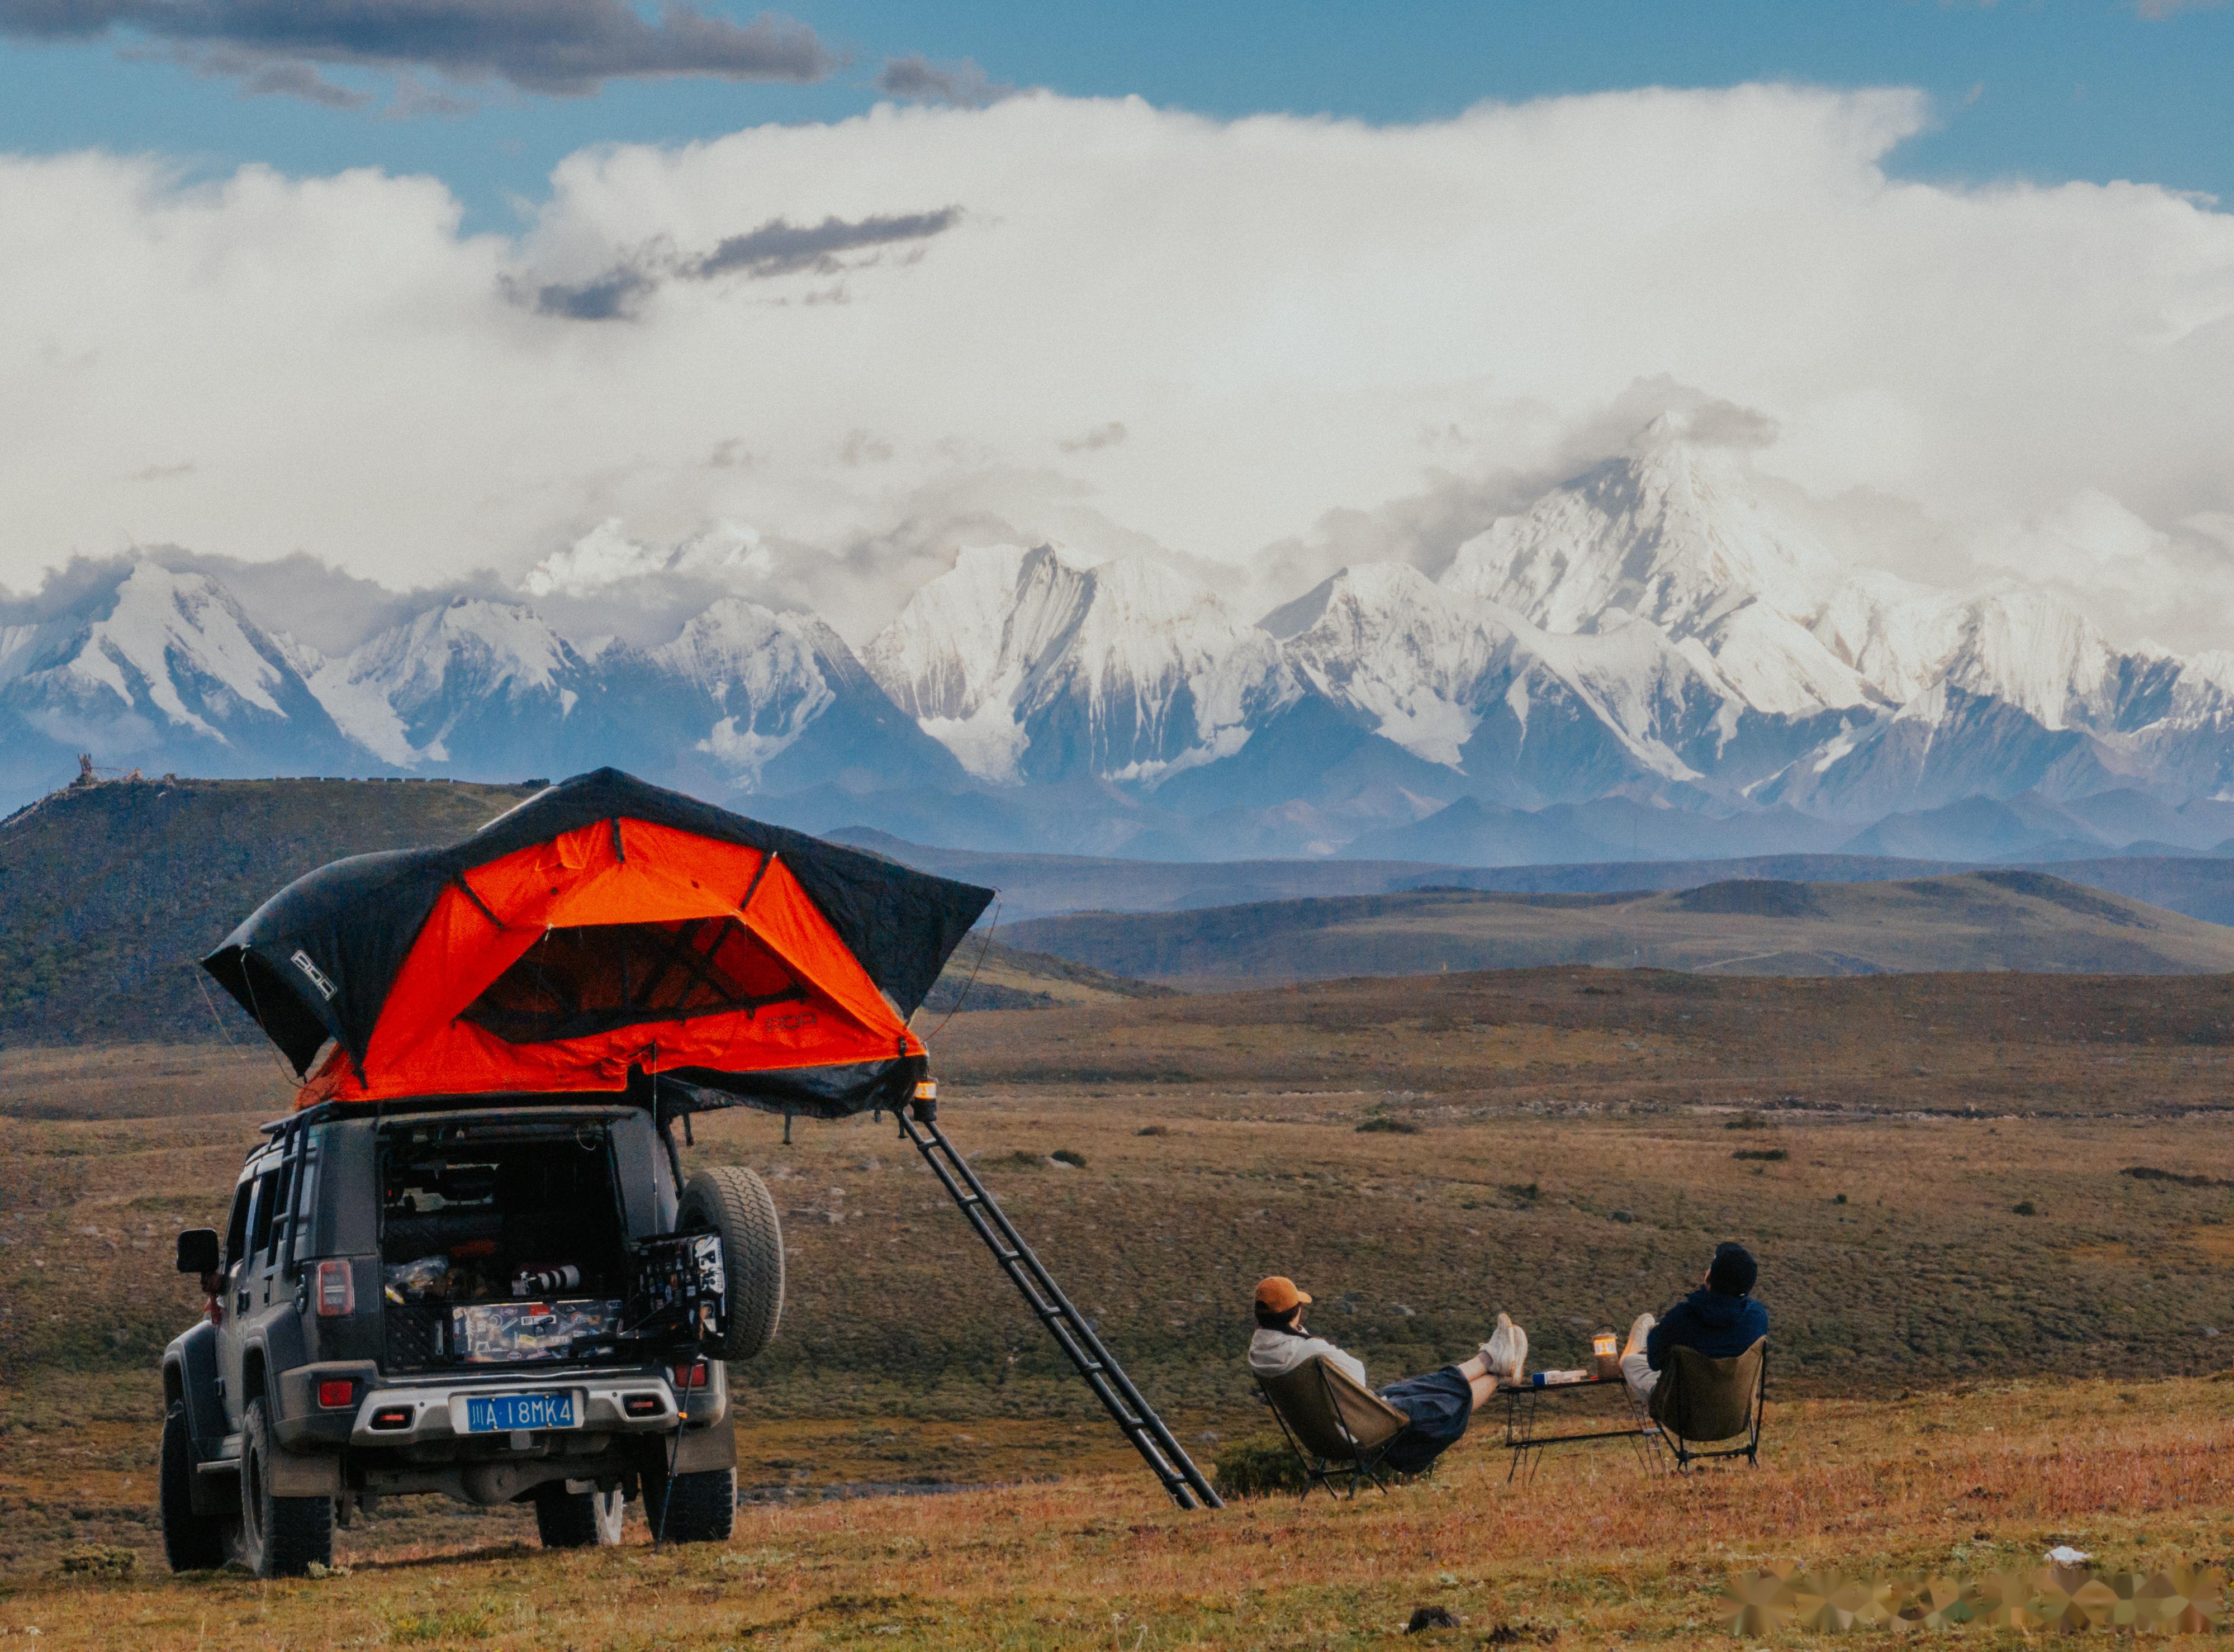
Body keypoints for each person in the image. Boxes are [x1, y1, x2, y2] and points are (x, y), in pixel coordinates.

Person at [1248, 1275, 1530, 1474]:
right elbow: (1358, 1376)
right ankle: (1497, 1372)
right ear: (1295, 1313)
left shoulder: (1260, 1355)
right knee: (1437, 1402)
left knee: (1414, 1388)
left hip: (1325, 1436)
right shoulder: (1311, 1352)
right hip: (1359, 1430)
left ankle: (1492, 1359)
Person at [1619, 1241, 1767, 1402]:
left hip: (1685, 1412)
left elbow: (1654, 1362)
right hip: (1734, 1411)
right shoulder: (1757, 1317)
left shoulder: (1683, 1318)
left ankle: (1640, 1345)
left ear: (1709, 1276)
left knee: (1630, 1362)